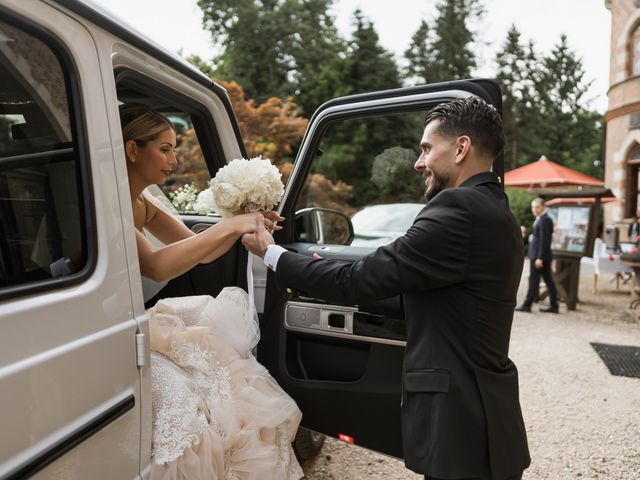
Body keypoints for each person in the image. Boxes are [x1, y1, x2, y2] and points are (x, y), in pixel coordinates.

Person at [243, 96, 530, 480]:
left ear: (461, 148)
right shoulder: (497, 211)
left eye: (427, 148)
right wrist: (317, 269)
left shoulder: (457, 208)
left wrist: (272, 254)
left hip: (461, 417)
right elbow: (427, 292)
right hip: (482, 410)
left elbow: (359, 279)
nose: (419, 162)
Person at [120, 104, 303, 480]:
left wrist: (238, 228)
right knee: (190, 403)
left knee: (219, 379)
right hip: (107, 325)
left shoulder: (143, 201)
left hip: (133, 322)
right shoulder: (112, 200)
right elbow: (155, 265)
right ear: (132, 149)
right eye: (165, 148)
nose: (174, 158)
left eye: (175, 148)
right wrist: (232, 224)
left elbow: (198, 250)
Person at [516, 198, 559, 314]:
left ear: (543, 207)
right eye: (533, 207)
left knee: (534, 280)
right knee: (548, 280)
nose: (534, 210)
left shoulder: (545, 220)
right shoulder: (541, 219)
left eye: (536, 207)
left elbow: (545, 240)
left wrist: (540, 257)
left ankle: (527, 304)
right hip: (539, 255)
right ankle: (554, 305)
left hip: (539, 256)